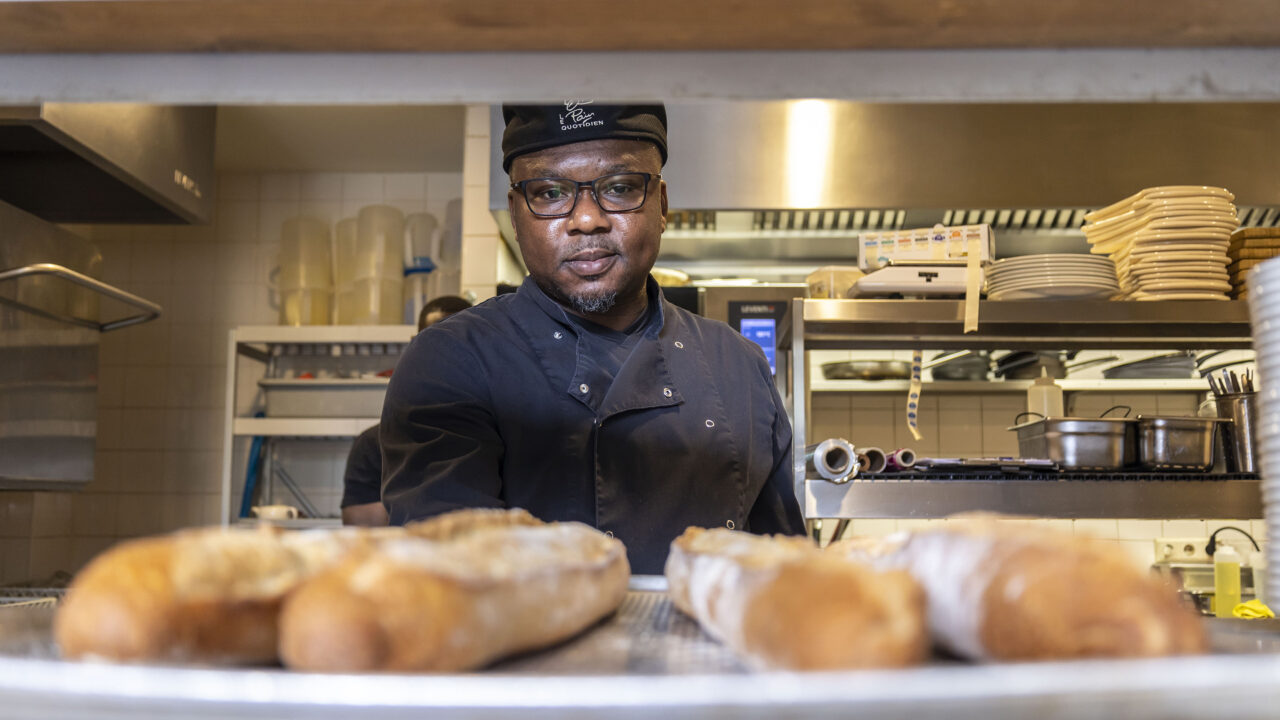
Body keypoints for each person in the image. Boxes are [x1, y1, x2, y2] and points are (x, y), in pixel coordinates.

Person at [380, 102, 804, 572]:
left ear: (661, 205)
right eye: (549, 192)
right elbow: (450, 581)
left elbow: (784, 575)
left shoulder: (738, 363)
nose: (586, 219)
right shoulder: (452, 360)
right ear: (516, 214)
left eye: (620, 188)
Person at [340, 294, 473, 526]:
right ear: (416, 343)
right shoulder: (375, 443)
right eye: (436, 340)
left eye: (460, 343)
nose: (448, 354)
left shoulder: (508, 431)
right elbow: (361, 525)